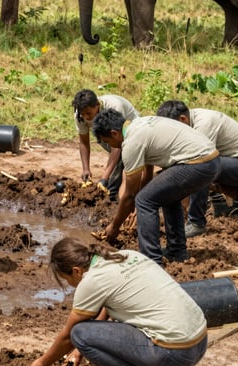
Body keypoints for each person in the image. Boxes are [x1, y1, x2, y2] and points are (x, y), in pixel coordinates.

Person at [25, 237, 207, 366]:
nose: (71, 286)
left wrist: (43, 363)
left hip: (176, 354)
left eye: (67, 280)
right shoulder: (124, 255)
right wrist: (79, 352)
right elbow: (111, 300)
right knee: (85, 336)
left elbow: (68, 337)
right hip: (199, 342)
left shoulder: (91, 280)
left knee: (79, 334)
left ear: (76, 271)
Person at [92, 109, 219, 264]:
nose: (111, 146)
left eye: (107, 142)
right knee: (165, 196)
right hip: (211, 160)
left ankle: (151, 259)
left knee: (144, 201)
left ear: (114, 133)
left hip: (198, 163)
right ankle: (177, 251)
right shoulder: (140, 123)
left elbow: (130, 195)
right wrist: (135, 207)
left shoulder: (132, 142)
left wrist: (115, 226)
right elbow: (147, 172)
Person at [156, 100, 238, 235]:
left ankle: (196, 222)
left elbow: (198, 163)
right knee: (199, 166)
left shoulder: (204, 124)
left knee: (200, 167)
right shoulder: (189, 121)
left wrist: (181, 206)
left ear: (182, 119)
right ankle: (235, 202)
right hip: (231, 162)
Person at [71, 89, 139, 200]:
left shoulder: (114, 107)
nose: (86, 117)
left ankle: (114, 196)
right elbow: (84, 142)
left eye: (88, 113)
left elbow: (116, 145)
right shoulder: (80, 115)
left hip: (130, 132)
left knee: (118, 170)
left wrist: (104, 178)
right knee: (117, 164)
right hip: (109, 134)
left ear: (97, 105)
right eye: (83, 114)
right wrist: (86, 169)